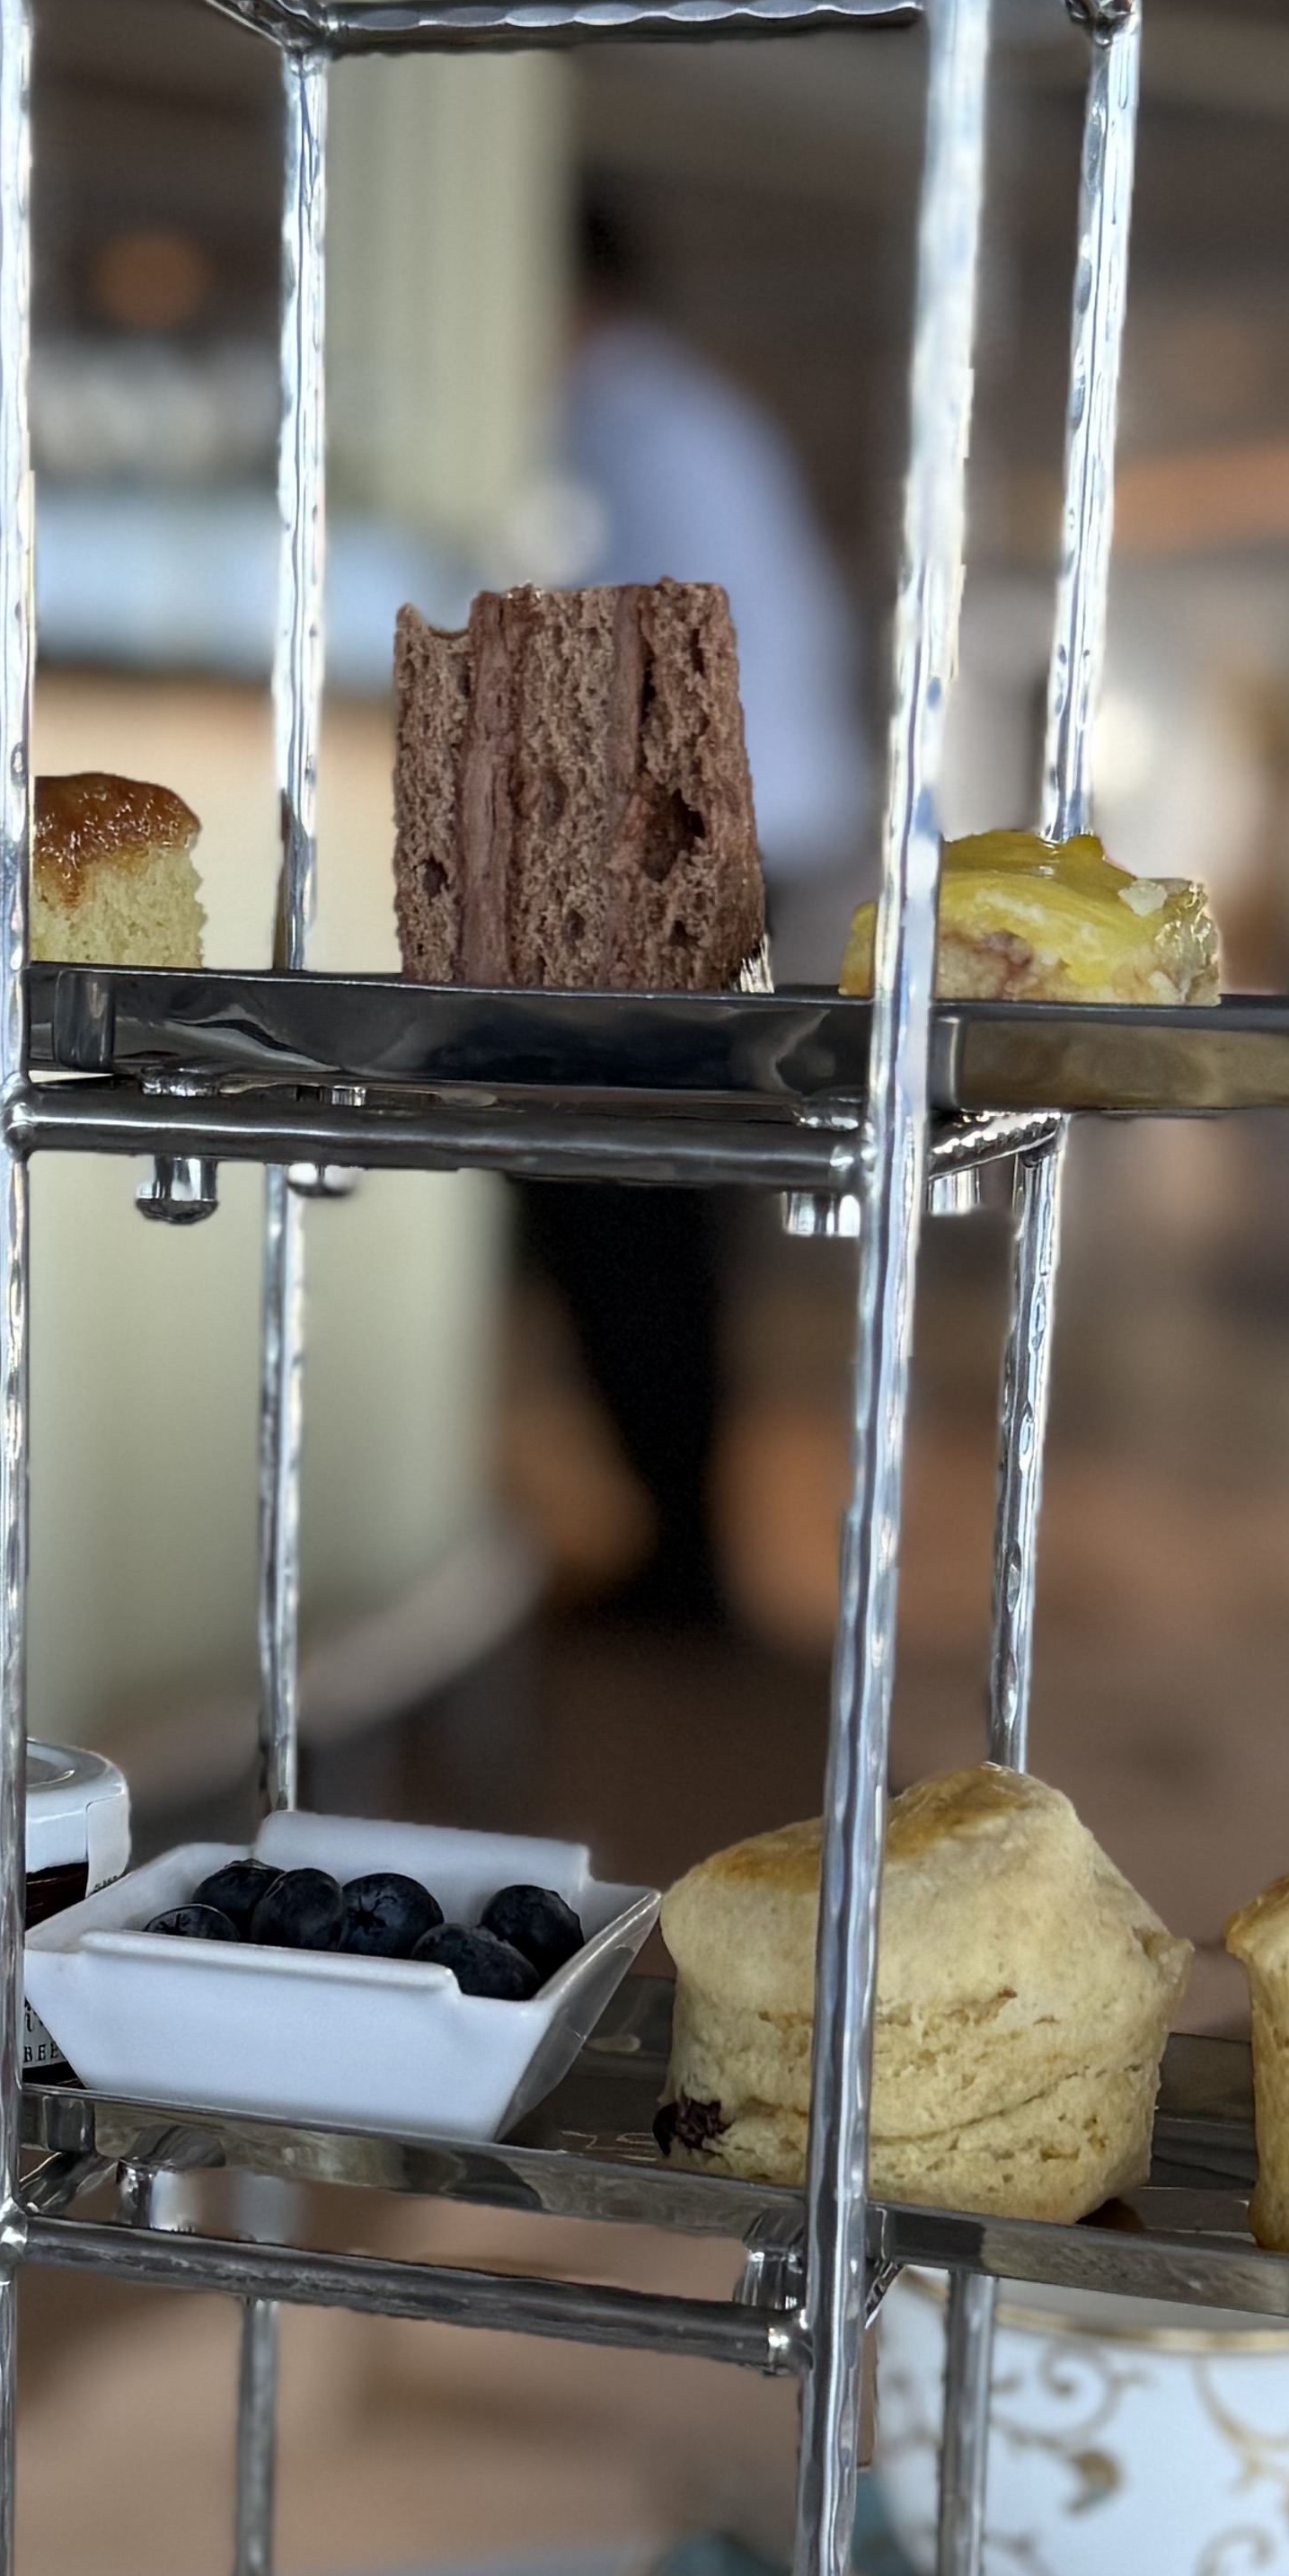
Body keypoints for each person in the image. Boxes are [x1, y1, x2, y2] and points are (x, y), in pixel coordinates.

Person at [521, 192, 869, 1630]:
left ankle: (685, 1562)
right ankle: (680, 1550)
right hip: (730, 845)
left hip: (683, 853)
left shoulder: (628, 434)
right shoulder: (681, 420)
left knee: (628, 1209)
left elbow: (626, 673)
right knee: (640, 1208)